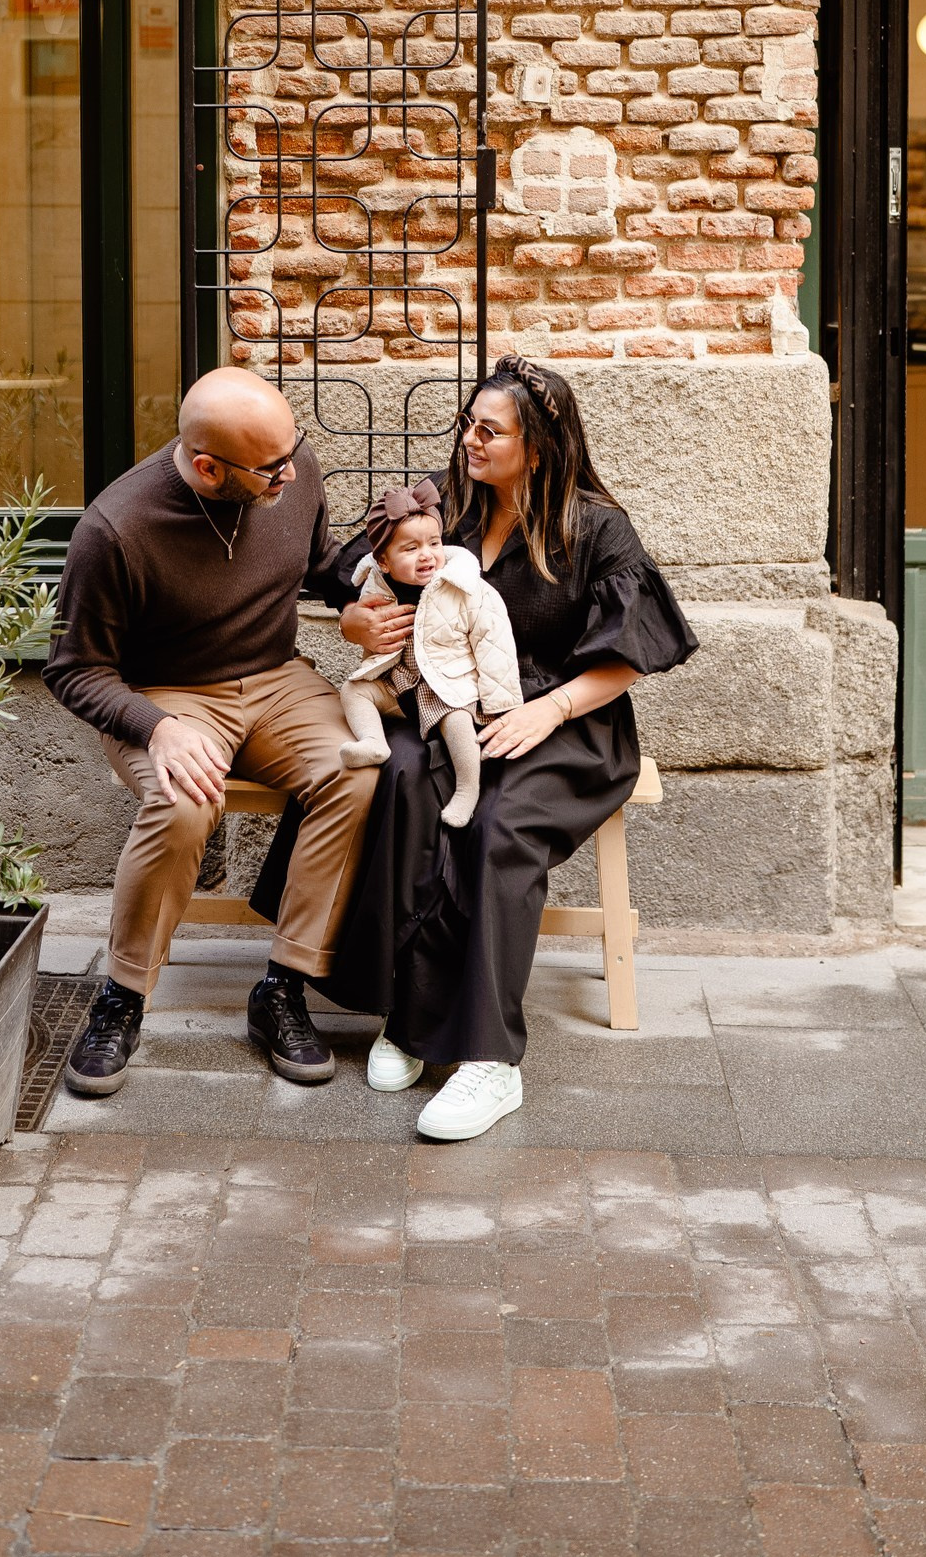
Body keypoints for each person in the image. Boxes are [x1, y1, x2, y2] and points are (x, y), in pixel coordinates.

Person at [317, 352, 697, 1142]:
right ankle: (411, 1016)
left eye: (488, 431)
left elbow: (634, 650)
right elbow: (344, 567)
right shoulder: (447, 503)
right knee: (408, 788)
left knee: (497, 829)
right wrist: (356, 617)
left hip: (569, 723)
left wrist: (548, 711)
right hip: (455, 708)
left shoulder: (595, 527)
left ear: (538, 446)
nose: (468, 441)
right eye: (467, 424)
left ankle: (490, 1060)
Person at [44, 367, 400, 1096]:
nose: (290, 473)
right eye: (270, 468)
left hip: (275, 677)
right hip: (164, 693)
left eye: (292, 451)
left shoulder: (290, 469)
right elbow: (74, 670)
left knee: (357, 769)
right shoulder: (115, 529)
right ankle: (121, 998)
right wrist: (158, 726)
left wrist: (353, 606)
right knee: (181, 803)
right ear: (208, 467)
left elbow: (318, 565)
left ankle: (283, 988)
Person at [335, 475, 523, 829]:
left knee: (458, 722)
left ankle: (468, 788)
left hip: (446, 686)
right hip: (397, 684)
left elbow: (494, 645)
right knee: (353, 690)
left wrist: (500, 707)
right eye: (410, 549)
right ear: (384, 562)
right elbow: (370, 637)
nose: (427, 555)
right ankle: (373, 741)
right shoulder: (376, 585)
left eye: (434, 543)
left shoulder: (465, 587)